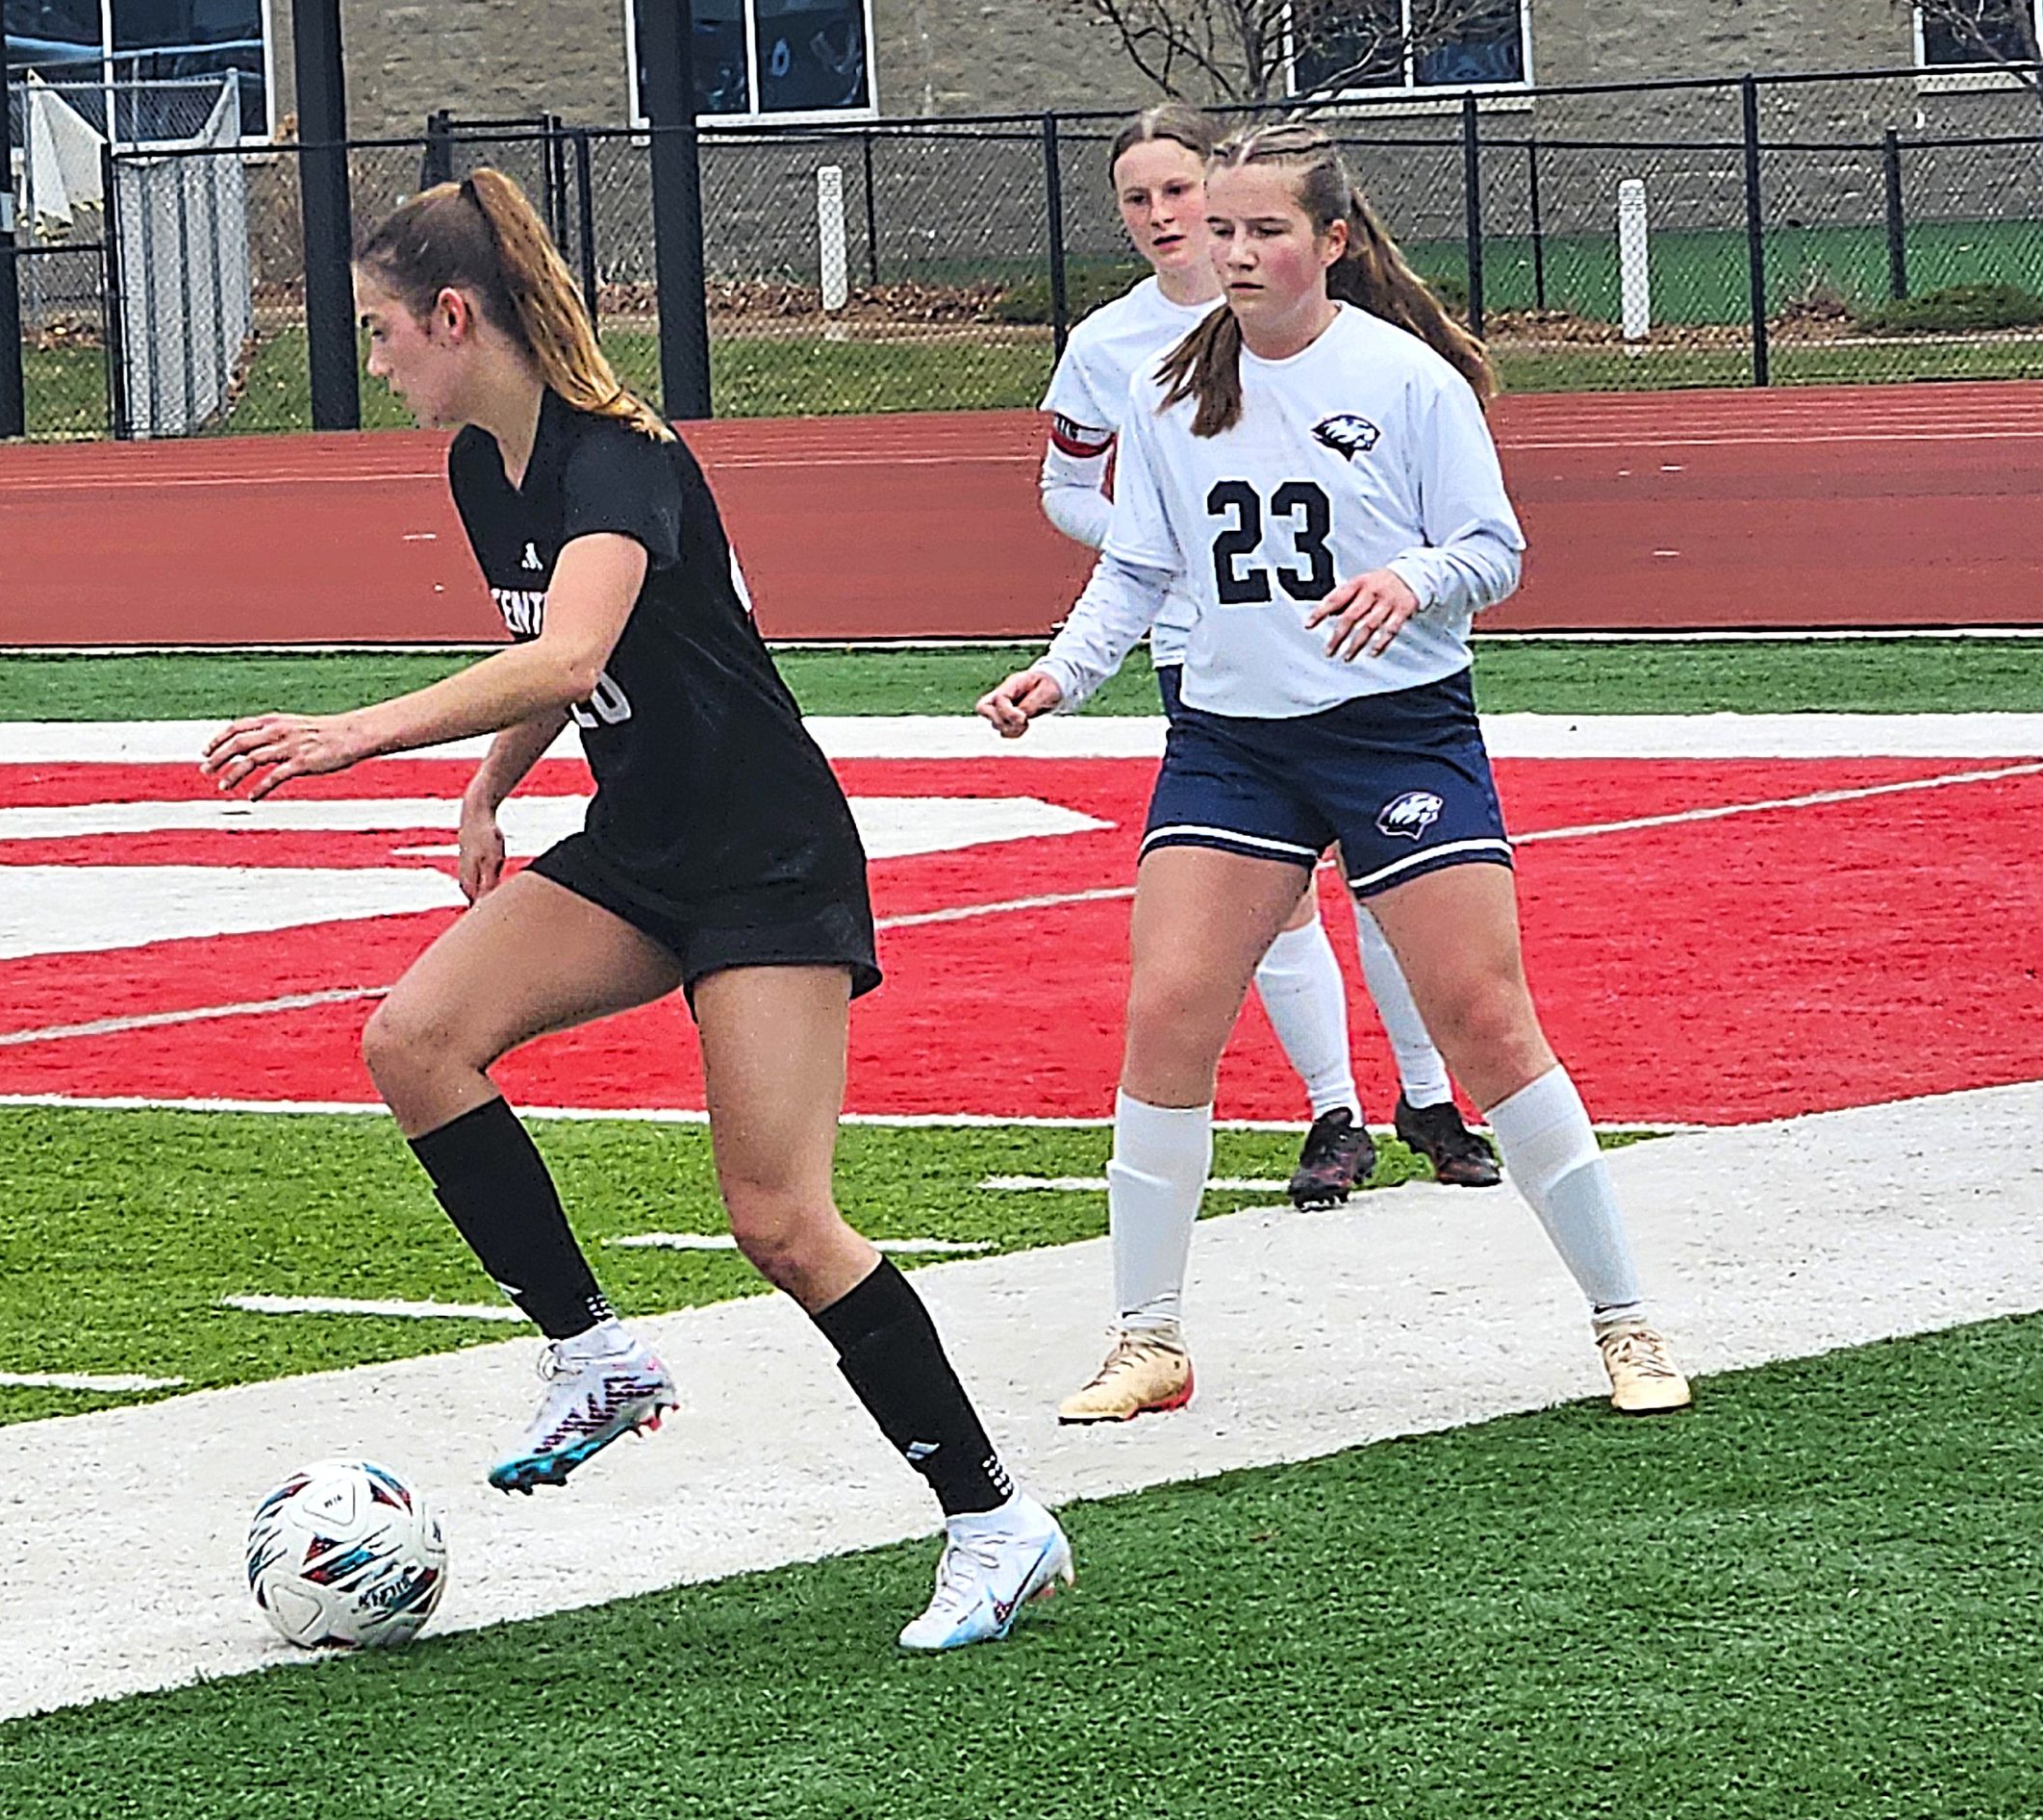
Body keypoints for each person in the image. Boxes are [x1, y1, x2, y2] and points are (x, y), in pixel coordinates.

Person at [205, 169, 1072, 1648]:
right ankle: (593, 1355)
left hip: (766, 858)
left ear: (454, 316)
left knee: (783, 1223)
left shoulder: (619, 460)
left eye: (379, 330)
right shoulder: (483, 467)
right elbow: (564, 668)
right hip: (644, 845)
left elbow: (568, 650)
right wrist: (488, 791)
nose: (376, 360)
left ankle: (995, 1521)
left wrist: (355, 734)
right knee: (415, 1040)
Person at [978, 124, 1691, 1419]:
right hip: (1231, 742)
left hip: (1396, 732)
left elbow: (1491, 549)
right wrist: (1061, 674)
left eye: (1265, 229)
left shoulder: (1406, 378)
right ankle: (1147, 1338)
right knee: (1167, 1009)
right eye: (1222, 229)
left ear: (1333, 240)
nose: (1235, 251)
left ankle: (1625, 1321)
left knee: (1483, 1017)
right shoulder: (1169, 386)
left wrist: (1410, 577)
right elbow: (1138, 565)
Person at [1039, 107, 1501, 1249]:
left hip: (1366, 673)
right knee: (1253, 916)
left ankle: (1430, 1098)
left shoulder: (1376, 362)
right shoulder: (1113, 349)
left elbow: (1485, 545)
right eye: (1138, 199)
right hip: (1214, 663)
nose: (1166, 218)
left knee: (1397, 895)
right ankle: (1330, 1111)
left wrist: (1409, 576)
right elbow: (1085, 506)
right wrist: (1151, 583)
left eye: (1180, 194)